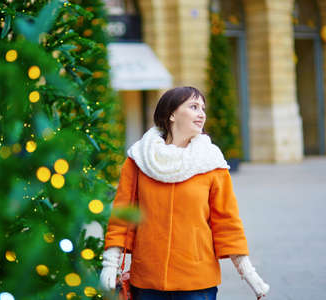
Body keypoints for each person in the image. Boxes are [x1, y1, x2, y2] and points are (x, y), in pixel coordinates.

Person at [100, 86, 270, 300]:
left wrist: (249, 274)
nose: (202, 114)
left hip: (197, 284)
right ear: (171, 114)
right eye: (193, 106)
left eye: (203, 108)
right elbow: (122, 216)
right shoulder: (139, 159)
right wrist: (110, 263)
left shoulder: (211, 162)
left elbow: (227, 223)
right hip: (147, 283)